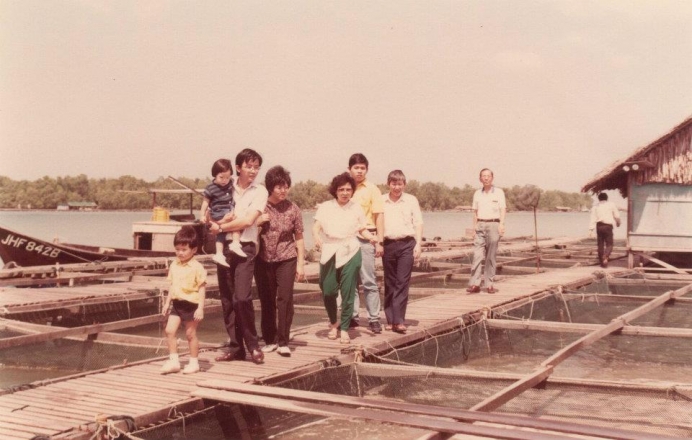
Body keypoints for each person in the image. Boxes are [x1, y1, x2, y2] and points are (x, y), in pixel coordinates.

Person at [209, 148, 268, 364]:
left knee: (242, 297)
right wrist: (213, 222)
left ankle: (253, 345)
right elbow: (210, 212)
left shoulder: (260, 191)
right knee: (227, 298)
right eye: (249, 166)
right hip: (223, 248)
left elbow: (247, 221)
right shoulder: (224, 185)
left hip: (245, 247)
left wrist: (221, 227)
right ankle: (235, 347)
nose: (253, 171)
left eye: (256, 167)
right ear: (238, 167)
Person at [312, 172, 379, 344]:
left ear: (352, 191)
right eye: (341, 189)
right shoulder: (326, 207)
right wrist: (317, 237)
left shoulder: (356, 207)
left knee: (348, 291)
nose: (345, 192)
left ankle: (343, 328)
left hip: (351, 249)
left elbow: (361, 229)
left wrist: (371, 237)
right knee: (328, 290)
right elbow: (316, 226)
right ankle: (334, 322)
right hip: (330, 249)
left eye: (348, 189)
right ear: (335, 190)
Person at [255, 166, 305, 357]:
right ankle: (269, 339)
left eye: (286, 187)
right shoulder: (260, 207)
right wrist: (258, 222)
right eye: (279, 187)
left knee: (284, 299)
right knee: (267, 299)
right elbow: (249, 232)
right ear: (270, 187)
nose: (283, 190)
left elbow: (299, 237)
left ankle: (283, 341)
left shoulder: (293, 209)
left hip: (287, 258)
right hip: (263, 259)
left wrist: (300, 264)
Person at [161, 225, 207, 374]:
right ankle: (174, 361)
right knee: (169, 331)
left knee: (190, 334)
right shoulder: (174, 264)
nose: (180, 253)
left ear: (193, 250)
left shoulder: (197, 267)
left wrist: (200, 307)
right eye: (177, 249)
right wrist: (167, 303)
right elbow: (172, 285)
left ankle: (194, 363)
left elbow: (201, 288)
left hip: (192, 304)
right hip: (177, 303)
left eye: (184, 249)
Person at [381, 170, 423, 334]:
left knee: (402, 282)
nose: (396, 187)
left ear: (404, 185)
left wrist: (418, 244)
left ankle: (399, 320)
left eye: (399, 184)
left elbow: (418, 222)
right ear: (388, 184)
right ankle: (390, 319)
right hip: (388, 244)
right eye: (393, 184)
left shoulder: (411, 200)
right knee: (389, 282)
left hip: (407, 244)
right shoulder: (382, 201)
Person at [348, 153, 385, 334]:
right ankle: (353, 317)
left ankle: (374, 318)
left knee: (369, 280)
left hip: (366, 238)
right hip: (346, 239)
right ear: (350, 169)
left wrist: (379, 242)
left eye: (362, 168)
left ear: (366, 170)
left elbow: (379, 217)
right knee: (350, 281)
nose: (359, 171)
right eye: (356, 167)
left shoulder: (372, 189)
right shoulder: (344, 187)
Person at [201, 158, 246, 267]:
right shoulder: (210, 188)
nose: (224, 180)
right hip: (218, 212)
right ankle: (235, 244)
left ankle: (220, 253)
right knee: (236, 223)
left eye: (227, 177)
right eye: (221, 177)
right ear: (214, 175)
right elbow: (205, 203)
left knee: (222, 233)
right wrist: (202, 215)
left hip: (228, 210)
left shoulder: (230, 183)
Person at [467, 168, 506, 294]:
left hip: (494, 224)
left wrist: (501, 224)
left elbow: (503, 209)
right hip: (480, 225)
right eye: (483, 176)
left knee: (490, 256)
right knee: (477, 256)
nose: (486, 178)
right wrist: (474, 228)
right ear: (480, 179)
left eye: (488, 176)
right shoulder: (477, 193)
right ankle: (475, 284)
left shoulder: (499, 192)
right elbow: (475, 212)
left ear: (492, 178)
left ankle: (489, 284)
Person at [589, 192, 621, 268]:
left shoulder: (595, 207)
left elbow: (593, 218)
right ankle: (605, 256)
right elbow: (617, 216)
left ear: (599, 199)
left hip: (599, 226)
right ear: (607, 198)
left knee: (600, 245)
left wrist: (590, 230)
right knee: (609, 244)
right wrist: (618, 223)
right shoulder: (611, 205)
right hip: (608, 226)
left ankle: (602, 263)